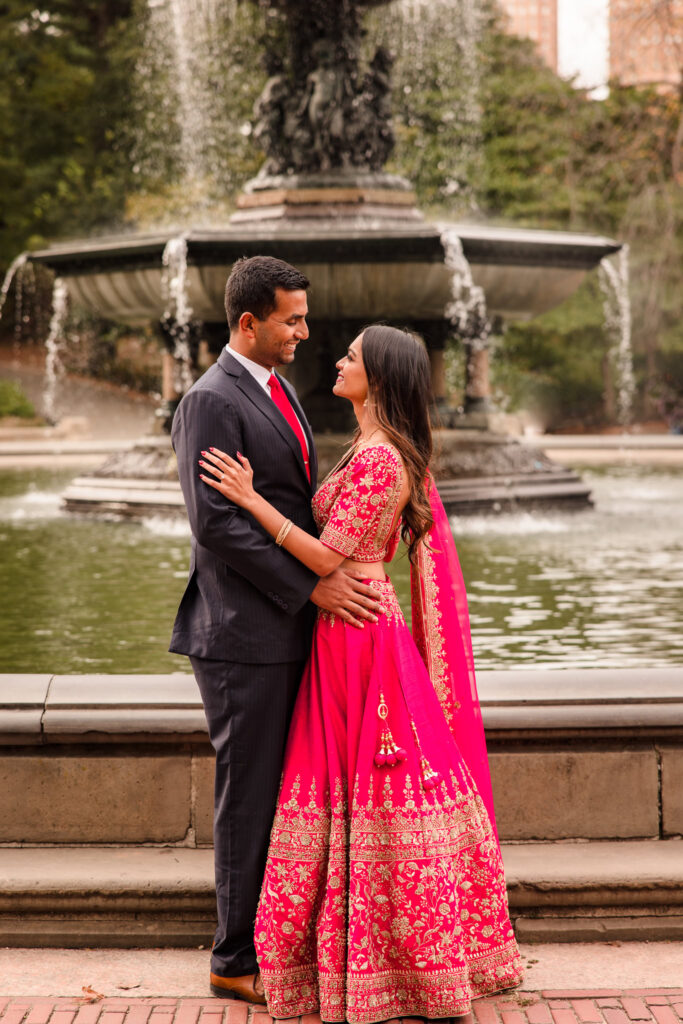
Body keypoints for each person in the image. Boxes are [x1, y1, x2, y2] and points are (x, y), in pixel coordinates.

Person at [199, 324, 524, 1023]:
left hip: (357, 636)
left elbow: (327, 558)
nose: (336, 360)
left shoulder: (380, 461)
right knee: (350, 791)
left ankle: (392, 963)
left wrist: (251, 500)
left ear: (376, 376)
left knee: (368, 789)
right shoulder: (367, 449)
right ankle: (363, 954)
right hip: (347, 631)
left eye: (350, 356)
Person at [169, 256, 382, 1003]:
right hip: (241, 636)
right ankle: (232, 960)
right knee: (250, 794)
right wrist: (312, 583)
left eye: (303, 316)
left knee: (284, 794)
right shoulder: (209, 400)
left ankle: (278, 945)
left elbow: (288, 499)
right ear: (248, 323)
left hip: (287, 628)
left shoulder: (279, 388)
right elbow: (215, 526)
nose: (303, 331)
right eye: (290, 319)